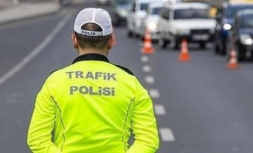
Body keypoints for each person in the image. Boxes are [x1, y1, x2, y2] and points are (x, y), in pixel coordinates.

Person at [27, 8, 159, 152]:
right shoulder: (130, 82)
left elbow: (36, 138)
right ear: (111, 41)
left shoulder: (55, 82)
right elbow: (148, 140)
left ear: (74, 40)